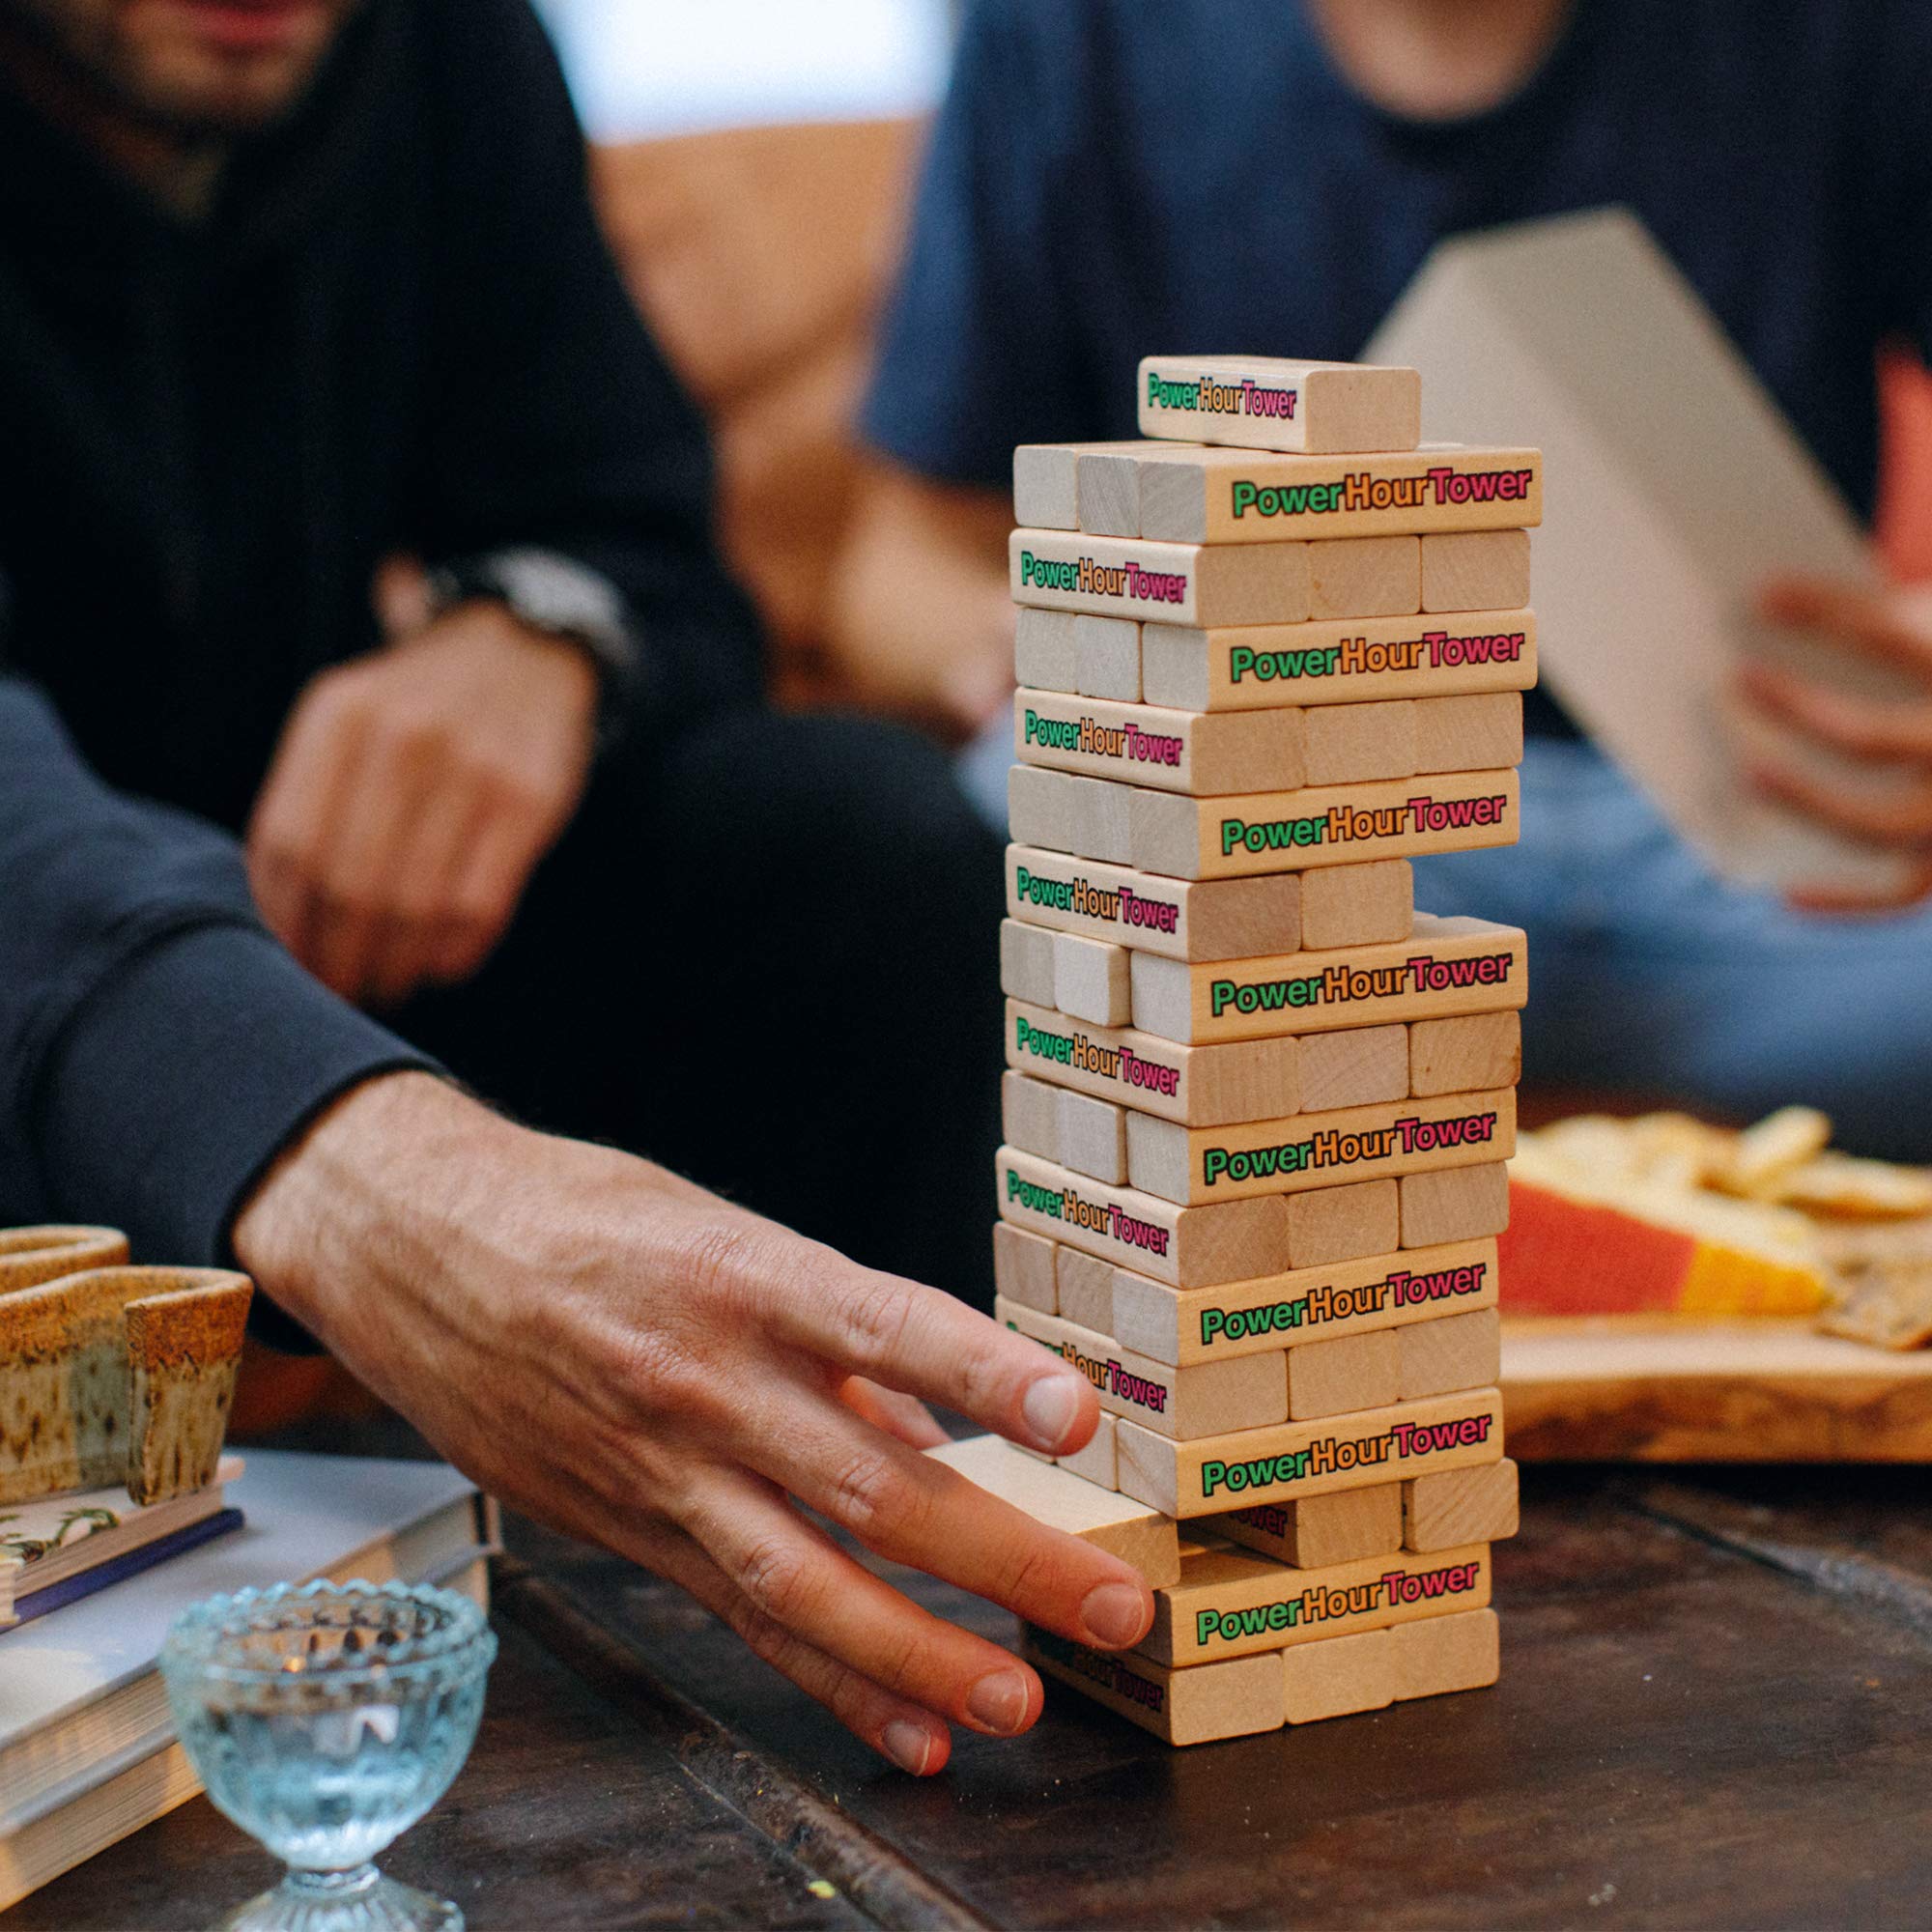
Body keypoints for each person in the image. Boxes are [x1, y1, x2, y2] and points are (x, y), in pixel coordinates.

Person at [0, 0, 1156, 1773]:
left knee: (855, 843)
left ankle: (1033, 1601)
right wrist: (366, 1173)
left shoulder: (440, 52)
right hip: (68, 988)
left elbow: (645, 548)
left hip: (346, 937)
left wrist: (532, 640)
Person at [839, 0, 1932, 1156]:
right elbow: (898, 568)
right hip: (1281, 847)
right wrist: (1061, 641)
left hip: (1770, 850)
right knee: (989, 836)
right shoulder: (1065, 33)